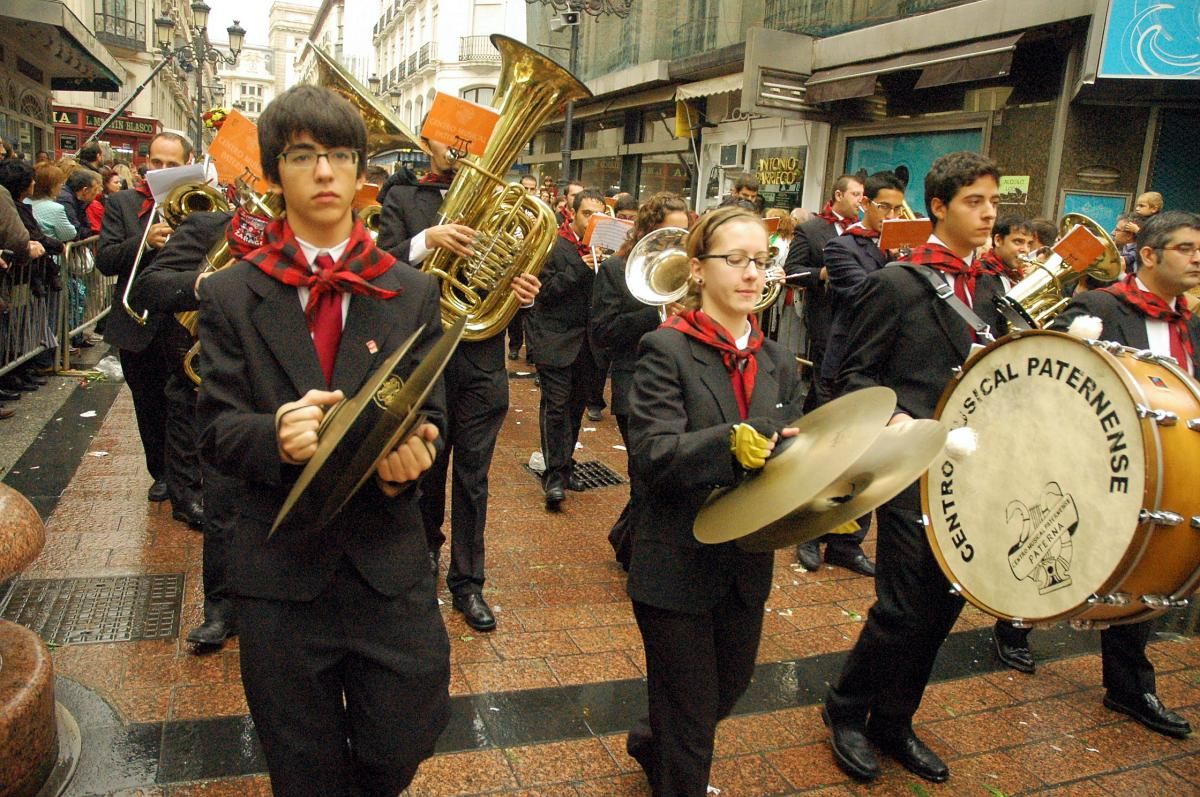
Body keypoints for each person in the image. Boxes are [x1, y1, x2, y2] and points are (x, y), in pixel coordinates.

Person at [195, 84, 451, 796]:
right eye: (304, 156)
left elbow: (433, 411)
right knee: (302, 769)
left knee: (405, 735)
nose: (326, 172)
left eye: (340, 154)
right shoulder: (227, 295)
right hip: (282, 575)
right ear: (276, 173)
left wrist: (414, 458)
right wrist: (272, 434)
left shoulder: (410, 289)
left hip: (385, 566)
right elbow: (213, 431)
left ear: (361, 169)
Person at [822, 151, 1009, 785]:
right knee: (902, 605)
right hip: (910, 466)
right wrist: (900, 421)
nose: (988, 214)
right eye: (974, 202)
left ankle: (895, 721)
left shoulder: (993, 286)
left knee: (946, 601)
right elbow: (856, 375)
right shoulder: (898, 282)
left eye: (993, 202)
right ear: (938, 206)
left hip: (972, 467)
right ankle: (846, 712)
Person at [990, 210, 1199, 742]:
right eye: (1185, 248)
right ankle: (1014, 622)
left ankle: (1128, 685)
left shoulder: (1192, 322)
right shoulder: (1101, 304)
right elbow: (1054, 370)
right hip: (1088, 457)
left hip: (1162, 464)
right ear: (1148, 256)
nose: (1197, 258)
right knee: (1054, 542)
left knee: (1142, 565)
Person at [624, 206, 803, 796]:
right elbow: (651, 454)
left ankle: (654, 739)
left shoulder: (776, 358)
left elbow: (788, 443)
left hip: (744, 564)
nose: (752, 274)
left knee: (728, 687)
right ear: (697, 270)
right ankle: (672, 756)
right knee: (693, 722)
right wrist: (729, 445)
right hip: (675, 560)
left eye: (761, 261)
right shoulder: (664, 348)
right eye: (736, 260)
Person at [377, 129, 539, 632]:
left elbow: (521, 268)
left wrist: (525, 290)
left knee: (474, 479)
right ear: (430, 144)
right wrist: (428, 241)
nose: (462, 151)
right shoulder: (403, 196)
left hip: (483, 358)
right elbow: (380, 268)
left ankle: (469, 583)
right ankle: (423, 555)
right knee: (426, 468)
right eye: (452, 141)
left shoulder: (503, 201)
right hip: (427, 355)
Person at [799, 171, 909, 576]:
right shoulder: (842, 247)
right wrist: (903, 263)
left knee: (872, 457)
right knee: (833, 451)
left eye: (899, 208)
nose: (893, 214)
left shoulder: (905, 254)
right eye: (885, 206)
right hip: (847, 364)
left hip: (889, 367)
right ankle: (809, 533)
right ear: (866, 205)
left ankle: (847, 543)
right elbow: (867, 296)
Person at [96, 132, 204, 523]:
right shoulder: (122, 203)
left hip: (185, 322)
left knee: (189, 403)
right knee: (149, 402)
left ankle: (190, 477)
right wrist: (146, 240)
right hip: (137, 320)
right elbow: (105, 259)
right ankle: (161, 474)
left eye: (171, 164)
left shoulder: (203, 202)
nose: (160, 170)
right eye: (155, 163)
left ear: (190, 162)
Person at [591, 191, 690, 568]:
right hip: (635, 382)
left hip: (681, 382)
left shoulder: (690, 269)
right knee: (644, 474)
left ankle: (628, 540)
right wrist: (654, 316)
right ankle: (643, 557)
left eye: (684, 232)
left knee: (665, 476)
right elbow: (601, 332)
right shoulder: (617, 270)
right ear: (649, 232)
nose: (678, 242)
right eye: (670, 233)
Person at [527, 188, 606, 510]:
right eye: (587, 214)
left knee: (574, 408)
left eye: (599, 216)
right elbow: (543, 291)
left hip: (589, 344)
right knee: (556, 407)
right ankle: (554, 475)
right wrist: (582, 267)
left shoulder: (607, 249)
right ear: (571, 213)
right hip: (556, 339)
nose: (592, 221)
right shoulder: (552, 244)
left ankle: (565, 463)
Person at [787, 175, 864, 411]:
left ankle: (809, 414)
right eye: (855, 195)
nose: (860, 201)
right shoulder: (810, 229)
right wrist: (821, 273)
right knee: (826, 371)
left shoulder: (863, 230)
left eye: (863, 196)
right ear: (838, 196)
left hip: (856, 310)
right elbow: (791, 270)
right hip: (824, 311)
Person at [980, 214, 1035, 288]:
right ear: (998, 240)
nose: (1025, 250)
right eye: (1018, 241)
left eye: (1029, 244)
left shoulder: (1016, 274)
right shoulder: (981, 275)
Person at [86, 167, 125, 239]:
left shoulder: (121, 199)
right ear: (106, 184)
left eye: (120, 182)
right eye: (116, 182)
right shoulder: (96, 201)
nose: (120, 185)